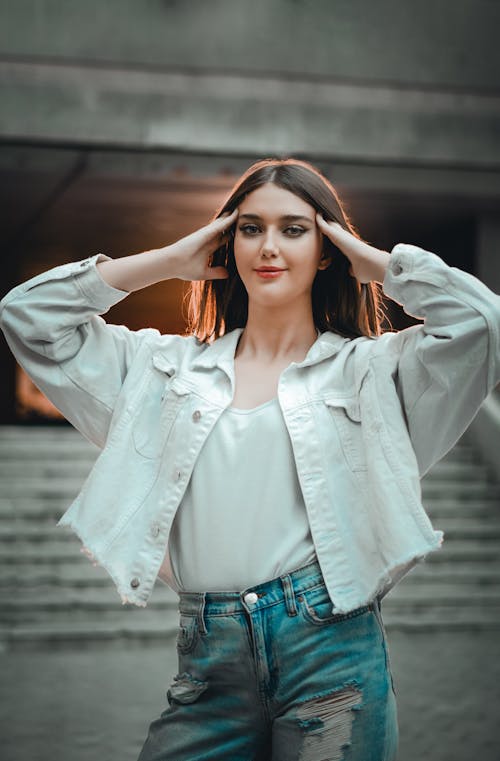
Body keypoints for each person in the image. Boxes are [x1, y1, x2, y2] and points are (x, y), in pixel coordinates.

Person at [1, 157, 499, 761]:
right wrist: (166, 263)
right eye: (250, 227)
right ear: (226, 241)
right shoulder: (164, 371)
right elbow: (27, 316)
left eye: (294, 229)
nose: (269, 246)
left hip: (332, 656)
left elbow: (482, 323)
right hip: (208, 661)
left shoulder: (372, 372)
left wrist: (382, 267)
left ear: (326, 249)